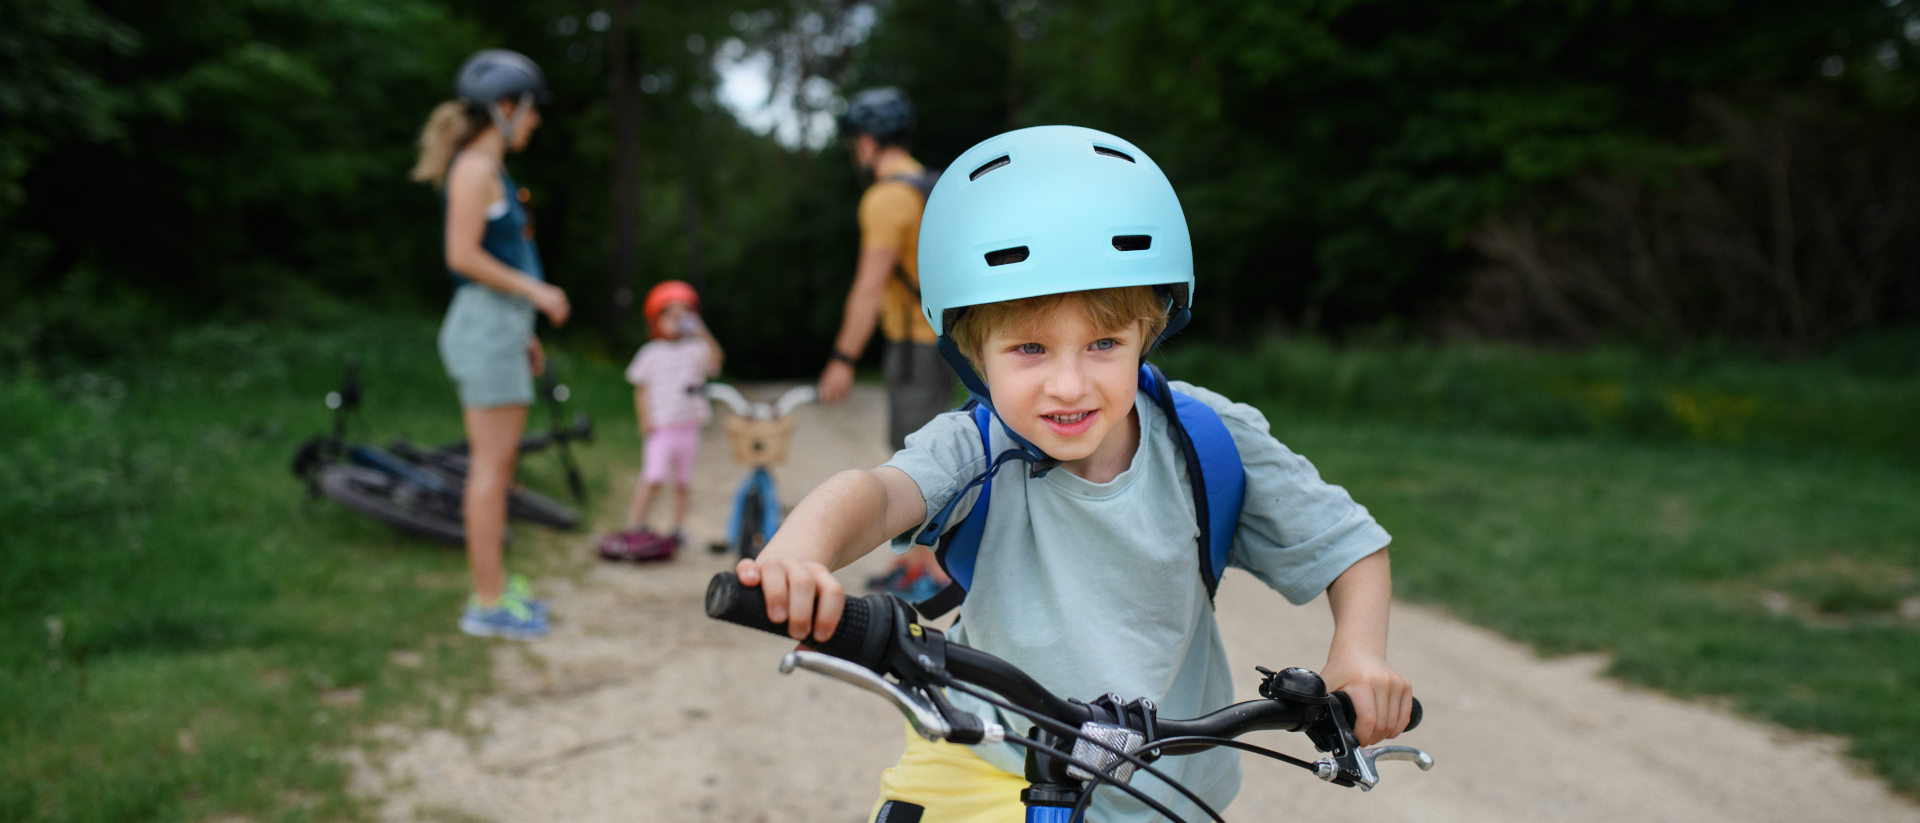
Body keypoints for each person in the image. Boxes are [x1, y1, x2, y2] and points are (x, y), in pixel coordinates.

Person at [735, 126, 1413, 822]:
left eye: (1103, 344)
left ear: (1148, 333)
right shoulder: (976, 445)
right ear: (974, 350)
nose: (1068, 383)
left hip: (1167, 789)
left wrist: (1356, 655)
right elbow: (875, 496)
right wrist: (799, 554)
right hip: (984, 755)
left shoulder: (1206, 438)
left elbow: (1348, 542)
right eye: (1029, 346)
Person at [409, 49, 568, 641]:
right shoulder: (475, 169)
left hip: (500, 328)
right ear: (504, 108)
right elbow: (462, 256)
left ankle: (495, 586)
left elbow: (496, 255)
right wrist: (540, 293)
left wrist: (524, 330)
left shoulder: (489, 169)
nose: (535, 122)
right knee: (490, 471)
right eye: (530, 110)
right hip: (485, 326)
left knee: (498, 469)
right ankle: (487, 603)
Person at [818, 86, 955, 601]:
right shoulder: (929, 186)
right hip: (941, 338)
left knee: (915, 457)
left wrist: (843, 357)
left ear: (869, 141)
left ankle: (933, 574)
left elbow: (869, 284)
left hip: (913, 345)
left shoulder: (886, 197)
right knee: (920, 448)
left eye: (856, 141)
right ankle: (918, 562)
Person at [596, 280, 725, 561]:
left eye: (684, 314)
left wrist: (700, 330)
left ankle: (678, 527)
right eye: (671, 314)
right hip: (662, 428)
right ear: (656, 319)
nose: (678, 321)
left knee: (683, 481)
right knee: (653, 477)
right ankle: (636, 524)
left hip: (689, 426)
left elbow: (716, 359)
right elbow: (641, 389)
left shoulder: (696, 349)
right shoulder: (650, 353)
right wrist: (646, 420)